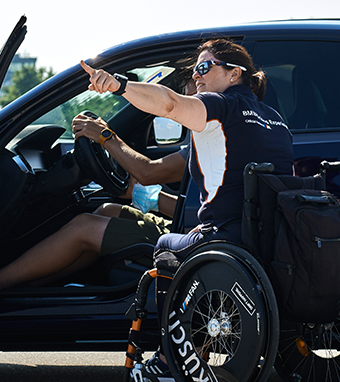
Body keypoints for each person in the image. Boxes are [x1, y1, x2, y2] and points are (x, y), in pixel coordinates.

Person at [84, 38, 292, 256]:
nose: (195, 75)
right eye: (195, 69)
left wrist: (119, 86)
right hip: (266, 236)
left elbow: (170, 103)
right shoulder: (275, 118)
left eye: (203, 67)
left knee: (164, 243)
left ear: (234, 73)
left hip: (225, 236)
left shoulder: (219, 106)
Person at [0, 108, 187, 290]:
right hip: (186, 225)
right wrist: (145, 195)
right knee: (108, 210)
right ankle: (31, 283)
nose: (194, 80)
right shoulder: (206, 140)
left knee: (84, 226)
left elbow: (148, 172)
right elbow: (196, 207)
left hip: (191, 239)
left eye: (204, 69)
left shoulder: (214, 143)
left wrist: (106, 136)